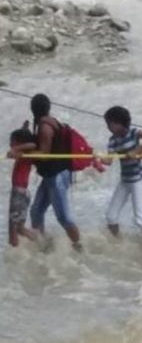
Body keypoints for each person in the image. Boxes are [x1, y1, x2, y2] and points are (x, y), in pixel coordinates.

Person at [29, 94, 82, 250]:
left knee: (63, 217)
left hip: (57, 176)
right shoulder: (48, 122)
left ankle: (78, 246)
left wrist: (25, 154)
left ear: (33, 109)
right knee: (36, 211)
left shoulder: (45, 127)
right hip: (50, 176)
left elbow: (44, 155)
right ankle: (43, 245)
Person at [103, 106, 142, 250]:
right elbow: (109, 161)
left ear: (120, 123)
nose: (109, 127)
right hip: (125, 180)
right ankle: (119, 245)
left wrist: (137, 151)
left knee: (140, 218)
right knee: (111, 216)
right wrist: (97, 159)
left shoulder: (134, 133)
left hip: (137, 180)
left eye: (110, 124)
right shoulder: (112, 141)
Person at [6, 127, 36, 247]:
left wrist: (15, 149)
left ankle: (13, 253)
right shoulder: (24, 153)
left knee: (12, 230)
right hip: (24, 193)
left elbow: (32, 144)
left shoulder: (23, 153)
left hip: (18, 192)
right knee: (20, 228)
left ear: (19, 143)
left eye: (12, 141)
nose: (10, 144)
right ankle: (40, 242)